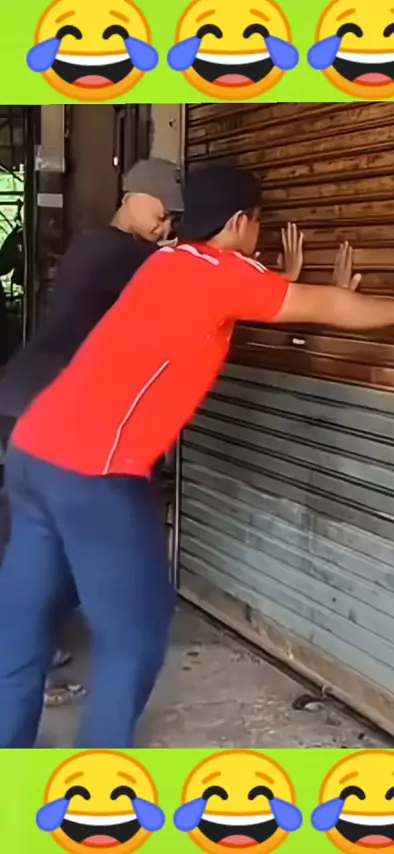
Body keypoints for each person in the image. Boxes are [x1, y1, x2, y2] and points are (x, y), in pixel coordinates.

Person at [0, 164, 394, 748]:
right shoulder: (220, 274)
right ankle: (96, 780)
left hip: (33, 451)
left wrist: (279, 279)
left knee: (23, 623)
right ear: (240, 221)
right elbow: (325, 305)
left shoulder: (167, 263)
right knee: (135, 631)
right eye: (259, 223)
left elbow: (244, 295)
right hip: (93, 471)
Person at [0, 157, 183, 709]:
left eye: (172, 219)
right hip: (37, 406)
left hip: (34, 402)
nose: (165, 226)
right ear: (133, 196)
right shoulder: (114, 252)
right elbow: (183, 276)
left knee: (37, 540)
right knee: (39, 543)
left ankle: (31, 652)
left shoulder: (104, 248)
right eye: (162, 213)